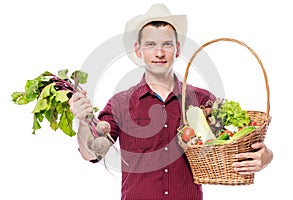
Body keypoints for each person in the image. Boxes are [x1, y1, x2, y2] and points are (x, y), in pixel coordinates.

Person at [69, 3, 273, 200]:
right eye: (151, 45)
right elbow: (92, 154)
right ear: (138, 50)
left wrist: (266, 156)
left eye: (166, 44)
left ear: (177, 49)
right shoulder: (120, 103)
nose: (159, 53)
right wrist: (84, 122)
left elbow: (230, 142)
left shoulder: (203, 100)